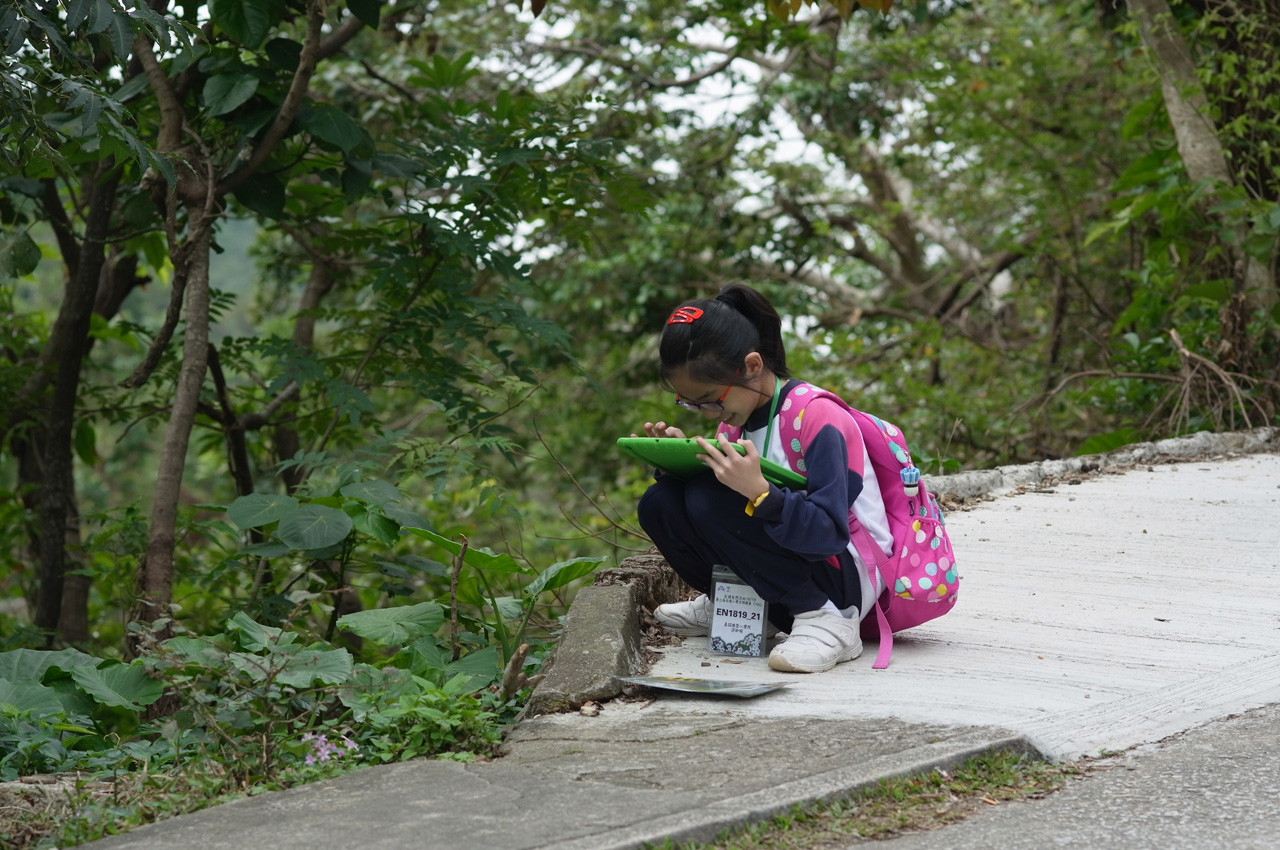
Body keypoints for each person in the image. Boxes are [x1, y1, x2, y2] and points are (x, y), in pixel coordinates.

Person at [634, 284, 893, 673]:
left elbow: (829, 533)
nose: (706, 414)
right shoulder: (734, 426)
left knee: (708, 496)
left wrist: (760, 493)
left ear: (752, 367)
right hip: (791, 568)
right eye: (690, 402)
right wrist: (679, 466)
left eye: (710, 399)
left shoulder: (818, 417)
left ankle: (827, 621)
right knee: (663, 501)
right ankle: (738, 601)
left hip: (842, 581)